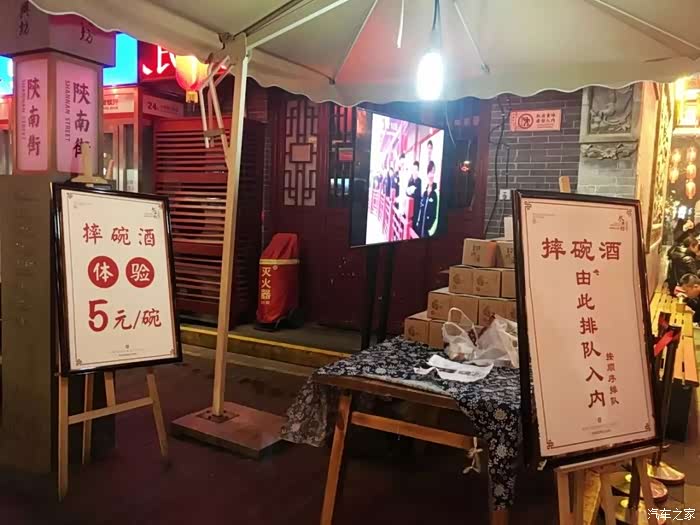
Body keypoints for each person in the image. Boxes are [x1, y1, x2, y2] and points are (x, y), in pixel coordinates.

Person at [416, 160, 439, 238]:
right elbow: (420, 210)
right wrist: (418, 223)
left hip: (429, 233)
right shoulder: (424, 192)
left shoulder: (436, 193)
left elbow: (437, 216)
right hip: (420, 230)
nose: (431, 175)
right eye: (429, 172)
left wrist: (431, 232)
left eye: (433, 172)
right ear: (427, 174)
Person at [406, 160, 422, 230]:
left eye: (416, 169)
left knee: (414, 225)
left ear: (418, 170)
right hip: (409, 207)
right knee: (408, 224)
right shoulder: (410, 180)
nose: (414, 171)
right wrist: (408, 192)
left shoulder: (419, 181)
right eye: (413, 169)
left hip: (416, 207)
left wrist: (412, 191)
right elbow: (406, 192)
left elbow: (418, 194)